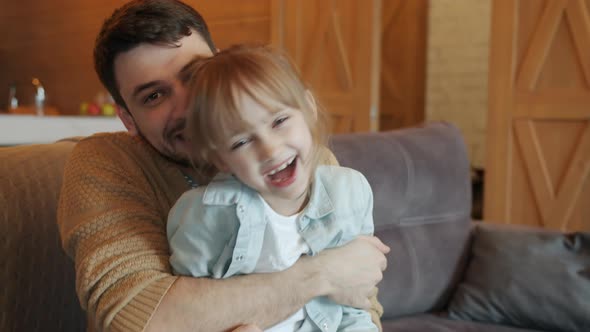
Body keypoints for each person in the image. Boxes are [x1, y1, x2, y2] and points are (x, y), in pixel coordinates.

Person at [57, 1, 389, 331]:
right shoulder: (104, 163)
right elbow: (141, 320)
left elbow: (360, 299)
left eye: (195, 74)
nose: (188, 106)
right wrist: (323, 273)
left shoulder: (301, 162)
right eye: (154, 97)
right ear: (127, 119)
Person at [168, 44, 378, 332]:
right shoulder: (205, 215)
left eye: (279, 121)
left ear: (309, 110)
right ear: (221, 160)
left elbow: (354, 304)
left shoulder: (350, 192)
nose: (269, 149)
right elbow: (189, 314)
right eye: (241, 142)